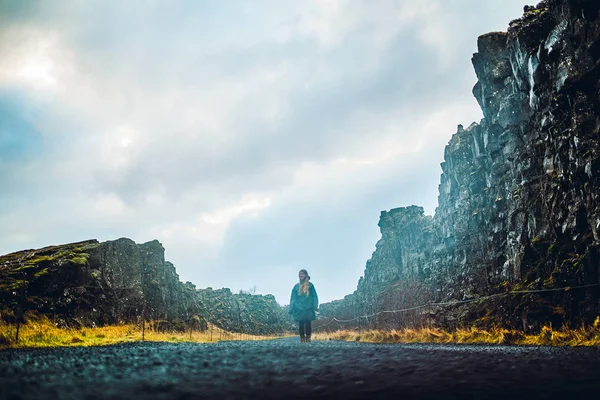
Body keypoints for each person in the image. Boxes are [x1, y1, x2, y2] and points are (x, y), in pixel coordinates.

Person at [289, 269, 318, 343]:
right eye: (300, 274)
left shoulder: (310, 285)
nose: (301, 275)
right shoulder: (296, 286)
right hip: (299, 308)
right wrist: (291, 308)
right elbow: (293, 298)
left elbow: (315, 296)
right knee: (301, 324)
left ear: (305, 275)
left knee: (308, 323)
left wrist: (315, 306)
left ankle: (308, 339)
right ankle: (302, 338)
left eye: (302, 274)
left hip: (309, 308)